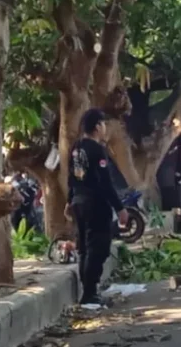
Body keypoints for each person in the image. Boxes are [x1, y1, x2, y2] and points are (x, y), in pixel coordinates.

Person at [66, 108, 128, 305]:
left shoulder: (76, 148)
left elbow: (71, 178)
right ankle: (90, 292)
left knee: (84, 247)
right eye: (103, 124)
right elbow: (105, 182)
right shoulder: (96, 150)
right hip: (95, 204)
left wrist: (69, 201)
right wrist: (120, 207)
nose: (105, 129)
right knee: (98, 247)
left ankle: (88, 291)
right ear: (96, 126)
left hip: (79, 202)